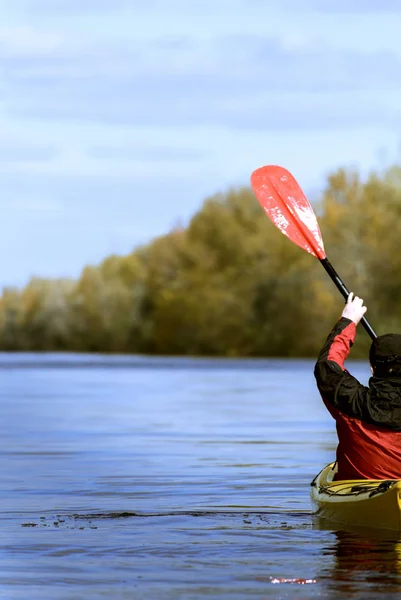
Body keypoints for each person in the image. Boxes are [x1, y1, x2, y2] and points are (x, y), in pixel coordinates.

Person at [314, 292, 401, 480]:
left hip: (361, 489)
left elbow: (328, 366)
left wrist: (348, 321)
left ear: (372, 368)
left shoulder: (351, 400)